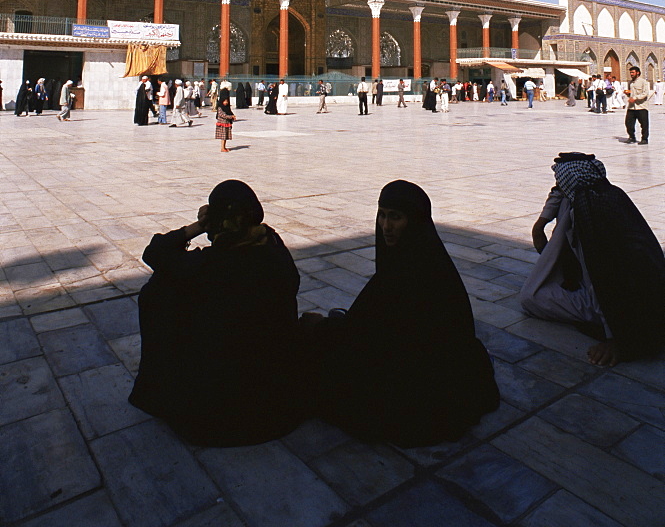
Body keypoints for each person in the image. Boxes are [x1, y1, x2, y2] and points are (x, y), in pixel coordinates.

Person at [301, 181, 499, 445]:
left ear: (414, 221)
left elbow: (372, 340)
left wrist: (324, 329)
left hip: (415, 385)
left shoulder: (412, 274)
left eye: (396, 217)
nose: (386, 226)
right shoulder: (423, 258)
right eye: (382, 215)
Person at [129, 179, 302, 445]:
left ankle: (158, 389)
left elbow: (155, 253)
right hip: (276, 394)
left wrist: (196, 227)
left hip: (223, 410)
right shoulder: (272, 244)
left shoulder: (210, 266)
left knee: (157, 291)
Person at [520, 152, 665, 366]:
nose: (558, 186)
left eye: (560, 180)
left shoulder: (589, 215)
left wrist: (613, 337)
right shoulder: (602, 193)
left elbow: (602, 274)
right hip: (630, 289)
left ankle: (616, 324)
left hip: (625, 299)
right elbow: (560, 192)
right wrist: (540, 224)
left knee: (532, 298)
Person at [624, 66, 649, 145]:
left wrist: (635, 98)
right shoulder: (630, 83)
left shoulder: (643, 82)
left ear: (637, 73)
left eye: (632, 72)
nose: (631, 74)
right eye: (630, 72)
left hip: (641, 107)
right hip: (631, 107)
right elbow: (631, 94)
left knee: (644, 124)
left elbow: (645, 93)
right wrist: (628, 94)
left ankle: (644, 139)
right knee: (628, 123)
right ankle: (632, 137)